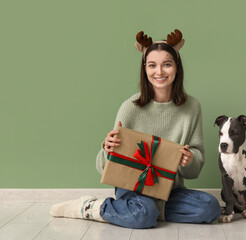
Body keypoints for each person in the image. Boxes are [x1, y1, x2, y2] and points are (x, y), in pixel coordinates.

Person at [50, 29, 221, 229]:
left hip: (169, 191)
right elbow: (102, 168)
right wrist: (107, 147)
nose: (159, 72)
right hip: (132, 190)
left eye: (167, 64)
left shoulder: (192, 107)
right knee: (144, 214)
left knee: (210, 207)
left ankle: (143, 211)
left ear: (176, 67)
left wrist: (188, 159)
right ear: (145, 69)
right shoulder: (130, 107)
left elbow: (194, 170)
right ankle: (91, 207)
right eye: (152, 65)